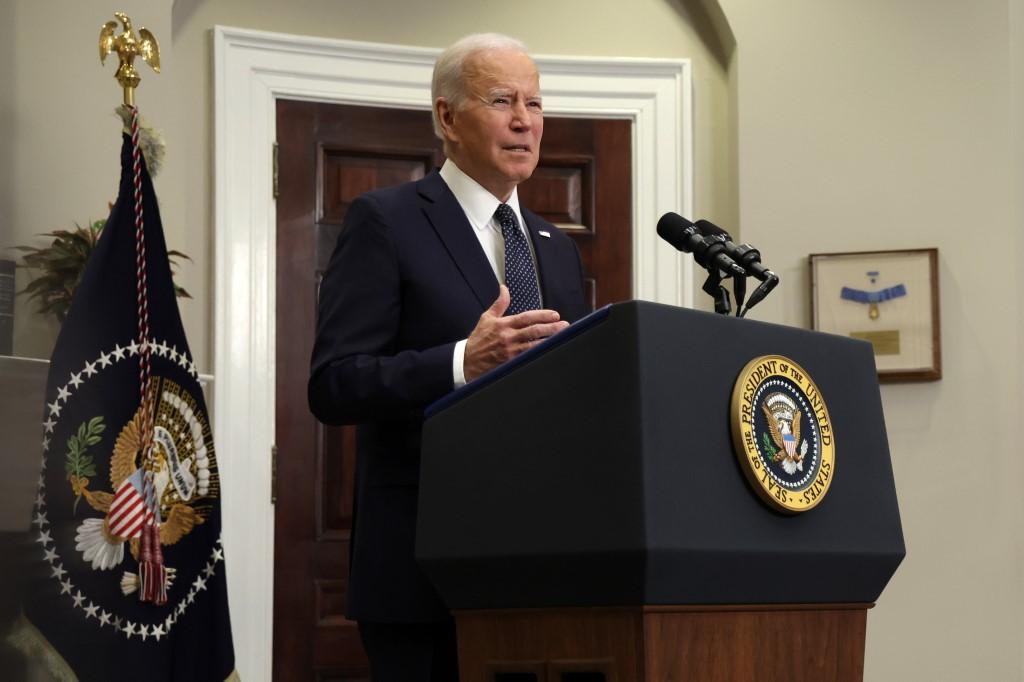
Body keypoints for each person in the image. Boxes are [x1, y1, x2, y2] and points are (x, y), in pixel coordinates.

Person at [308, 33, 587, 681]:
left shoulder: (556, 247)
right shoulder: (387, 220)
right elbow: (334, 384)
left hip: (548, 569)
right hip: (423, 572)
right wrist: (462, 361)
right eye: (502, 100)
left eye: (535, 103)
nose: (525, 120)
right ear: (446, 118)